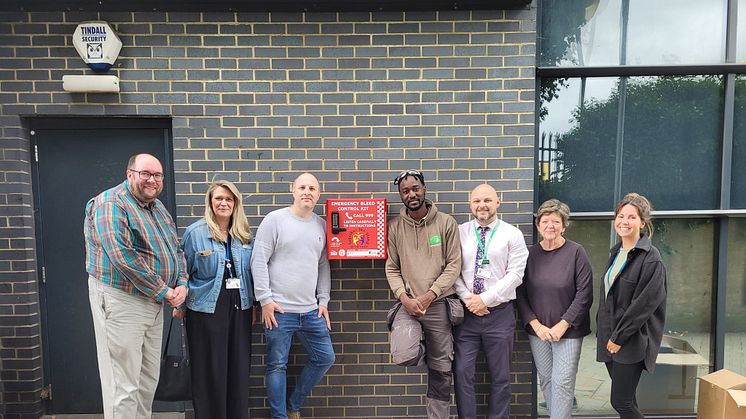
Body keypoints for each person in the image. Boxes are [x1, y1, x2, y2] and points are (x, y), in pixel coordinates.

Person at [84, 153, 188, 419]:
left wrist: (182, 283)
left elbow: (176, 250)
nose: (152, 180)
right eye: (145, 174)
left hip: (153, 302)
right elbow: (122, 256)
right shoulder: (110, 203)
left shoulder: (157, 207)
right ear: (130, 173)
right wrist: (166, 291)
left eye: (157, 175)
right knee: (123, 384)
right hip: (123, 300)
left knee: (146, 381)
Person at [251, 172, 335, 419]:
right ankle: (280, 416)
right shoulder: (274, 220)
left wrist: (324, 301)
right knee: (277, 365)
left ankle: (293, 404)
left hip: (311, 311)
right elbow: (258, 261)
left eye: (312, 188)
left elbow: (323, 265)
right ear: (293, 190)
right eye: (302, 187)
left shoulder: (321, 225)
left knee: (325, 358)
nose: (307, 192)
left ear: (318, 194)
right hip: (279, 312)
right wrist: (265, 300)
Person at [386, 169, 462, 419]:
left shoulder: (446, 223)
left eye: (415, 188)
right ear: (401, 196)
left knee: (441, 369)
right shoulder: (395, 227)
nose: (411, 194)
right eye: (405, 191)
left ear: (424, 189)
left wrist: (430, 295)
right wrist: (404, 298)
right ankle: (419, 344)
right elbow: (391, 267)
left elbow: (454, 265)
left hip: (439, 305)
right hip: (408, 307)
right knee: (404, 354)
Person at [177, 180, 254, 419]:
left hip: (240, 306)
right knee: (210, 370)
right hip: (205, 309)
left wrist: (255, 304)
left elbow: (252, 273)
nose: (224, 203)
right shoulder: (195, 232)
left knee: (238, 368)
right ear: (210, 202)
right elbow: (183, 271)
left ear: (236, 204)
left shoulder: (243, 234)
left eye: (229, 199)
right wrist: (179, 304)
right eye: (219, 198)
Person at [453, 184, 528, 419]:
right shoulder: (459, 232)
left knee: (501, 376)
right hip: (466, 317)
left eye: (487, 200)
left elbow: (516, 274)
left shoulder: (512, 234)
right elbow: (451, 270)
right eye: (476, 201)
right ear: (470, 204)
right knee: (462, 372)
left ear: (498, 202)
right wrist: (469, 299)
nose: (481, 205)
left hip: (500, 315)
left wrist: (485, 299)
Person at [516, 199, 593, 419]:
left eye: (556, 221)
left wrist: (562, 325)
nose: (551, 225)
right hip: (538, 331)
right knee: (547, 380)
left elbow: (584, 294)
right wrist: (536, 325)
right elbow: (520, 293)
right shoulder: (529, 254)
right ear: (538, 225)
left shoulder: (576, 252)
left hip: (568, 332)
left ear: (564, 225)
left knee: (562, 382)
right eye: (546, 221)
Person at [596, 193, 667, 419]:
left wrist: (619, 338)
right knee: (629, 401)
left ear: (642, 222)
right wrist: (607, 335)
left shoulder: (651, 258)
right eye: (620, 216)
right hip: (610, 339)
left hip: (630, 340)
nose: (624, 221)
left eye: (631, 217)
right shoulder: (616, 253)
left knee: (621, 402)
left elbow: (644, 305)